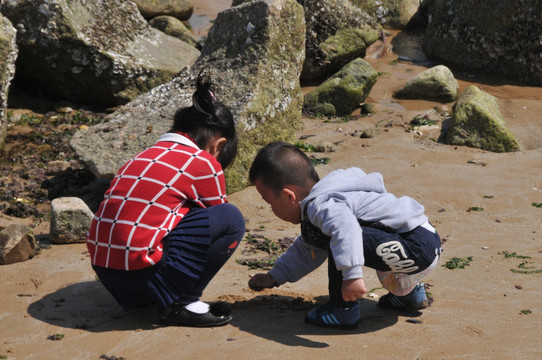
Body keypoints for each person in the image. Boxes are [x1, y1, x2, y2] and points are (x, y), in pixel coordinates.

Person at [86, 75, 245, 327]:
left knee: (172, 213)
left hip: (108, 276)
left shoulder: (139, 158)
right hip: (144, 275)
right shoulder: (203, 162)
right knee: (232, 218)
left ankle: (156, 295)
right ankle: (183, 303)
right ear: (218, 144)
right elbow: (219, 219)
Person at [247, 141, 442, 330]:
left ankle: (342, 310)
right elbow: (307, 249)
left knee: (338, 238)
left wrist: (352, 276)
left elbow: (345, 230)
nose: (271, 209)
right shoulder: (328, 199)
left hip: (415, 247)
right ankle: (409, 294)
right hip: (421, 242)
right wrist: (275, 277)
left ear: (289, 196)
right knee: (330, 236)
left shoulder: (321, 206)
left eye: (269, 202)